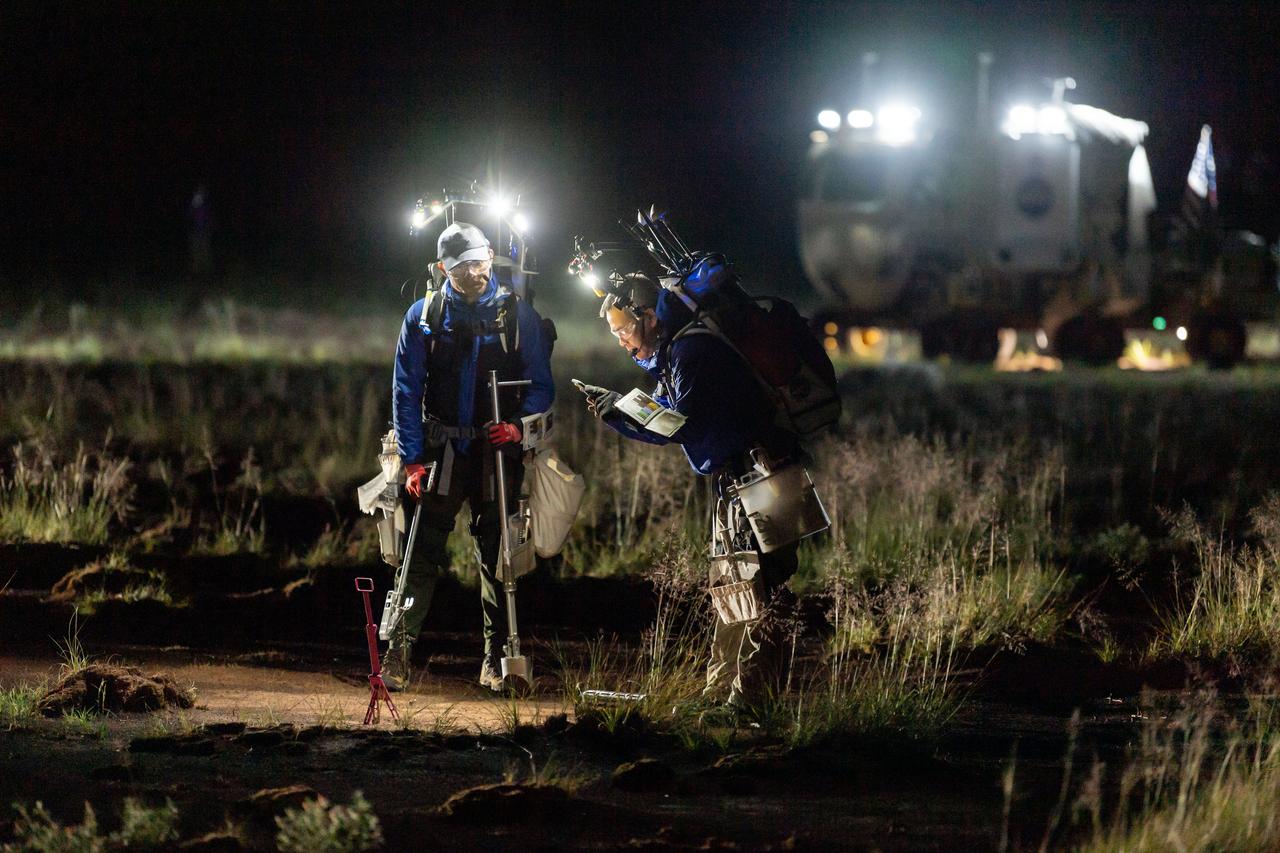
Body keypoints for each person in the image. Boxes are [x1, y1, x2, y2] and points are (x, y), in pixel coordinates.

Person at [577, 271, 803, 713]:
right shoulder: (676, 351)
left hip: (764, 472)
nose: (622, 340)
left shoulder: (692, 350)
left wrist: (619, 414)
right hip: (740, 476)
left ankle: (753, 702)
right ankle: (722, 692)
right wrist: (619, 406)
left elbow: (678, 425)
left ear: (647, 317)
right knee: (733, 585)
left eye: (624, 328)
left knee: (767, 587)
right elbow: (668, 412)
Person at [387, 221, 555, 691]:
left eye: (482, 261)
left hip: (495, 455)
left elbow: (541, 385)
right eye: (465, 266)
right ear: (445, 268)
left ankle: (498, 661)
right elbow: (406, 390)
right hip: (440, 454)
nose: (477, 272)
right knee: (418, 554)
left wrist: (519, 426)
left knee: (502, 559)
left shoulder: (516, 316)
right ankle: (397, 657)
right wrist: (412, 459)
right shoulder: (425, 315)